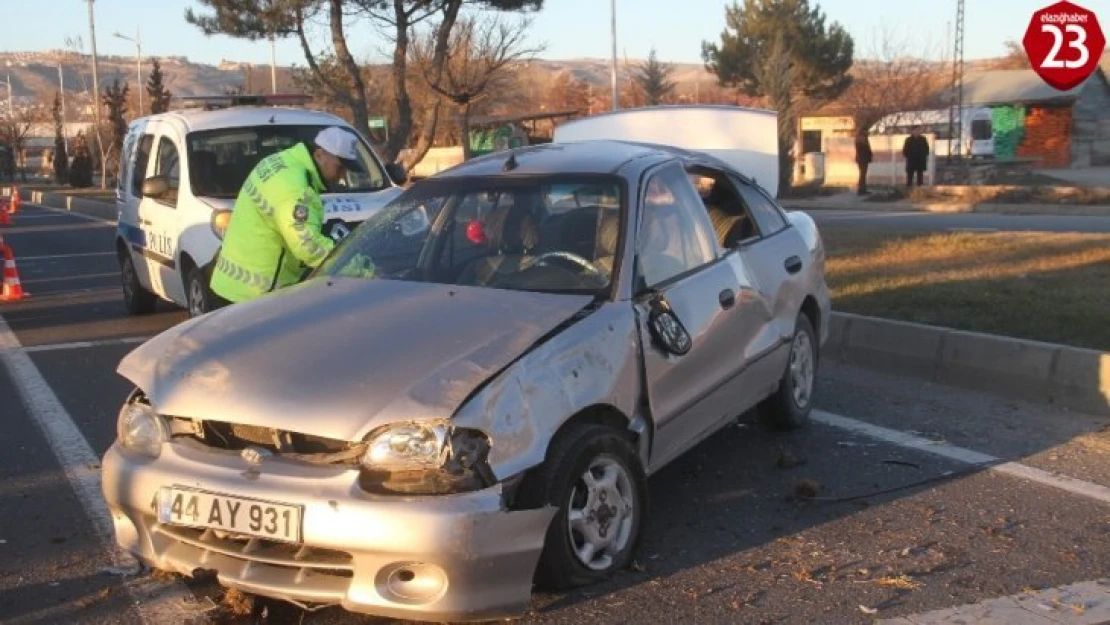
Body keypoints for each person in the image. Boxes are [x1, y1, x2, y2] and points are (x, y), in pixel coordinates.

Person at [208, 127, 365, 307]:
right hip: (254, 296)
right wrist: (356, 266)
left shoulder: (284, 161)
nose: (342, 176)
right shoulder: (295, 188)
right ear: (320, 154)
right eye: (340, 168)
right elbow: (307, 245)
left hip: (232, 284)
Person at [854, 128, 873, 195]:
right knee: (862, 175)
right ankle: (861, 190)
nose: (867, 132)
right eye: (866, 131)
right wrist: (870, 155)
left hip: (861, 159)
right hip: (863, 159)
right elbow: (866, 149)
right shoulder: (862, 139)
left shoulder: (858, 138)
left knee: (862, 175)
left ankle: (862, 189)